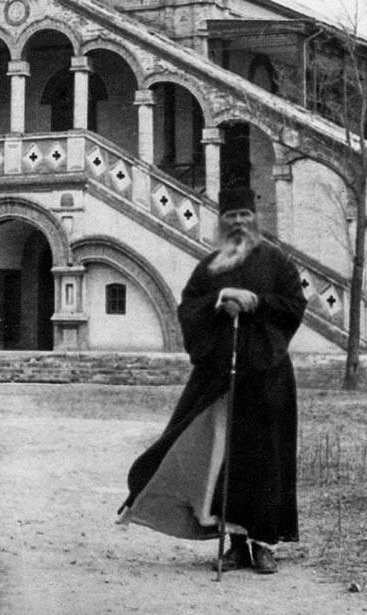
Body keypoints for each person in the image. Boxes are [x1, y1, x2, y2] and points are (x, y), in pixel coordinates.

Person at [117, 186, 306, 574]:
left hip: (267, 380)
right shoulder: (210, 267)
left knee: (265, 461)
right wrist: (221, 298)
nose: (238, 222)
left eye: (244, 216)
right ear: (222, 222)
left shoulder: (278, 263)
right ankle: (236, 544)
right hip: (222, 380)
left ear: (256, 220)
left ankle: (263, 545)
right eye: (231, 216)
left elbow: (294, 307)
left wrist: (256, 301)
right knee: (225, 461)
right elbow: (188, 308)